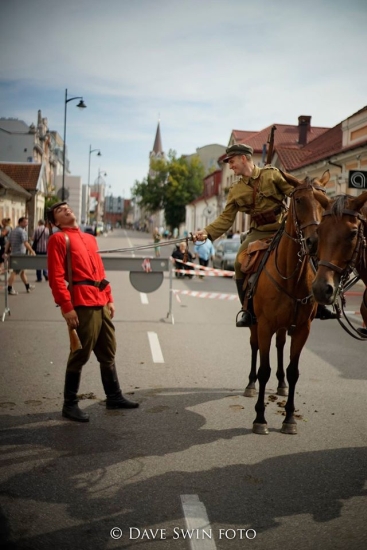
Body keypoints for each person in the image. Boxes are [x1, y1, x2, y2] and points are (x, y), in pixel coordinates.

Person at [193, 143, 336, 326]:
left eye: (232, 161)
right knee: (238, 262)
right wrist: (206, 232)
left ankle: (319, 305)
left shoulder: (271, 175)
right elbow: (226, 219)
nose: (230, 165)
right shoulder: (236, 190)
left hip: (283, 228)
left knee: (314, 253)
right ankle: (248, 310)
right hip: (258, 232)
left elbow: (295, 194)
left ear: (244, 158)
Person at [46, 201, 139, 423]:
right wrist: (66, 307)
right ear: (55, 222)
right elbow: (56, 277)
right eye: (60, 211)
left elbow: (100, 271)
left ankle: (114, 397)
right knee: (80, 353)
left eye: (67, 207)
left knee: (108, 350)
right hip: (81, 302)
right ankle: (69, 405)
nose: (67, 210)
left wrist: (110, 298)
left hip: (100, 301)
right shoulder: (59, 239)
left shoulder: (89, 238)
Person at [4, 216, 36, 295]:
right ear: (20, 222)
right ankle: (10, 288)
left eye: (27, 222)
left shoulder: (13, 231)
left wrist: (5, 252)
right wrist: (32, 251)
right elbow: (25, 243)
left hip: (14, 253)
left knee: (22, 271)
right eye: (25, 222)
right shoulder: (22, 231)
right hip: (20, 254)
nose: (26, 224)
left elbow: (8, 242)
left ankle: (27, 286)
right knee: (15, 271)